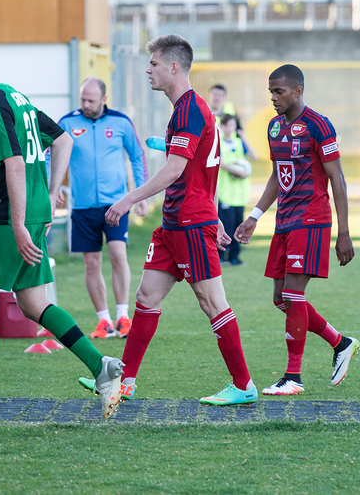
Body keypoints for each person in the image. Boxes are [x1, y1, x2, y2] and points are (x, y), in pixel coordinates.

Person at [0, 44, 124, 421]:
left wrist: (17, 223)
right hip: (33, 212)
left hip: (8, 216)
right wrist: (49, 197)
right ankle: (100, 367)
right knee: (33, 303)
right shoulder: (16, 97)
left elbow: (15, 165)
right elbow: (64, 139)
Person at [96, 34, 258, 406]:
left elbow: (174, 170)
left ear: (173, 67)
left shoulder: (190, 109)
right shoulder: (188, 109)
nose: (147, 70)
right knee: (146, 296)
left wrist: (129, 199)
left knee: (212, 302)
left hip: (189, 224)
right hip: (175, 224)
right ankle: (125, 382)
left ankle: (243, 385)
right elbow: (203, 169)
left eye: (153, 64)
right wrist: (213, 214)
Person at [233, 64, 360, 396]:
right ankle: (340, 342)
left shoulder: (319, 125)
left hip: (312, 219)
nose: (274, 98)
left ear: (297, 91)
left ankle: (293, 377)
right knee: (281, 299)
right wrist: (254, 216)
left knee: (292, 294)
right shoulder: (274, 128)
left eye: (279, 92)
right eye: (271, 92)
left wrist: (343, 232)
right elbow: (279, 175)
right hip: (284, 222)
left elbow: (337, 178)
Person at [58, 77, 148, 339]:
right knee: (91, 263)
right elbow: (52, 154)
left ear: (104, 99)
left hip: (116, 204)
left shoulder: (121, 122)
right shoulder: (67, 123)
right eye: (83, 99)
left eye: (91, 100)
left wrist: (140, 193)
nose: (86, 104)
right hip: (83, 206)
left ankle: (123, 317)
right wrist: (53, 187)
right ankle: (104, 321)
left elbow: (137, 156)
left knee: (118, 255)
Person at [217, 114, 250, 266]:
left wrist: (245, 138)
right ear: (222, 127)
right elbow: (221, 163)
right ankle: (220, 255)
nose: (231, 128)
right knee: (226, 226)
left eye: (233, 125)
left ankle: (234, 257)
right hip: (225, 193)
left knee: (238, 226)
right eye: (228, 125)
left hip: (239, 194)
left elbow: (254, 156)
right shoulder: (218, 142)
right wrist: (237, 171)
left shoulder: (239, 142)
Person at [208, 84, 257, 160]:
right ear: (209, 95)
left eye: (220, 95)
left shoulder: (231, 113)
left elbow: (240, 132)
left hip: (233, 154)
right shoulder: (204, 116)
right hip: (215, 157)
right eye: (214, 94)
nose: (216, 98)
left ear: (225, 98)